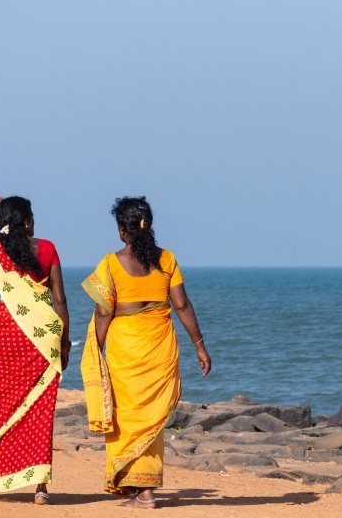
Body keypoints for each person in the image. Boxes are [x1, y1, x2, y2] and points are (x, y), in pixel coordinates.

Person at [80, 196, 211, 509]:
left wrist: (95, 348)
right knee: (150, 420)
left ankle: (145, 493)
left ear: (122, 231)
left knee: (127, 416)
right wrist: (199, 345)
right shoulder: (166, 260)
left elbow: (102, 312)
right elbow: (181, 305)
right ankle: (137, 486)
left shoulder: (111, 263)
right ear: (148, 226)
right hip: (159, 346)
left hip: (126, 347)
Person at [0, 195, 70, 505]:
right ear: (28, 221)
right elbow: (59, 299)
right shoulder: (47, 248)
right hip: (43, 337)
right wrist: (65, 341)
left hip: (8, 336)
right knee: (40, 410)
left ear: (1, 224)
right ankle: (41, 487)